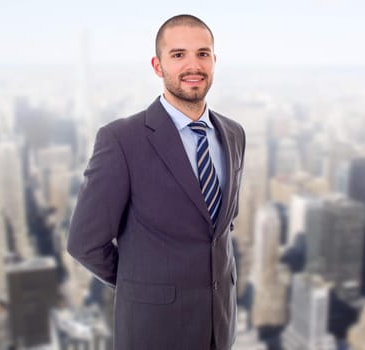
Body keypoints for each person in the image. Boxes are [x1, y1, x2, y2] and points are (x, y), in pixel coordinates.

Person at [67, 14, 245, 350]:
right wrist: (142, 284)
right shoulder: (121, 139)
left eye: (202, 54)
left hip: (220, 328)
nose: (193, 65)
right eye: (178, 55)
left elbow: (222, 227)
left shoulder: (234, 134)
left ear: (214, 61)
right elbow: (84, 243)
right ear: (157, 65)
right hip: (153, 331)